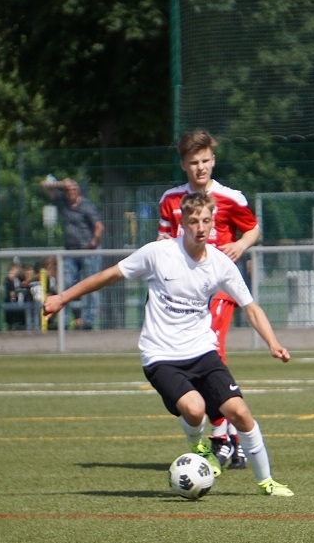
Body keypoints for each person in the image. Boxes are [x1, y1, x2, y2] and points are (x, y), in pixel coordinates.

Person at [45, 191, 293, 496]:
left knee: (240, 413)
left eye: (206, 221)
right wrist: (62, 298)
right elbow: (109, 275)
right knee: (195, 408)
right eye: (194, 221)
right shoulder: (158, 253)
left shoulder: (220, 263)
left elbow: (251, 307)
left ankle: (266, 482)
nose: (200, 227)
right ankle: (199, 447)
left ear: (212, 222)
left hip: (203, 352)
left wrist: (272, 343)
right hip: (160, 355)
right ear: (182, 224)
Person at [157, 131, 261, 469]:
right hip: (182, 293)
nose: (200, 167)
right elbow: (162, 240)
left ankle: (222, 436)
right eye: (193, 162)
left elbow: (253, 229)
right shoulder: (171, 199)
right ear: (183, 164)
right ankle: (228, 436)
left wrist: (240, 245)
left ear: (213, 160)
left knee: (211, 351)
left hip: (217, 288)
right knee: (193, 357)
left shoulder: (230, 198)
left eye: (205, 160)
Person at [40, 175, 104, 330]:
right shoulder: (62, 202)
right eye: (68, 190)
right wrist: (61, 184)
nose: (71, 192)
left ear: (79, 191)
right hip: (70, 252)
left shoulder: (86, 206)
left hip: (88, 252)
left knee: (90, 287)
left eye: (74, 189)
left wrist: (93, 242)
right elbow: (43, 185)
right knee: (64, 286)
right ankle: (63, 323)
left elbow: (98, 226)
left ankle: (87, 323)